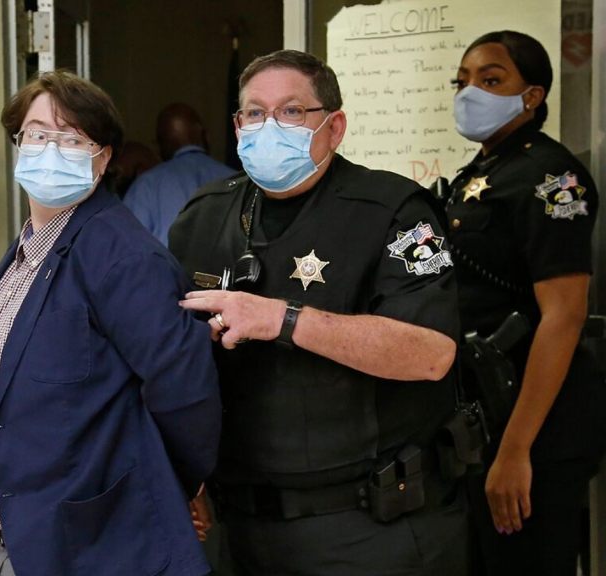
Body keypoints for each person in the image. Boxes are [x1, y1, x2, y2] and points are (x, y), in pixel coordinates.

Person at [170, 50, 466, 575]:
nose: (268, 127)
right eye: (254, 114)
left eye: (290, 111)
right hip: (237, 526)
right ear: (237, 127)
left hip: (366, 530)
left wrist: (282, 319)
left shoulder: (394, 212)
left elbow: (432, 353)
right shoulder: (203, 216)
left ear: (335, 126)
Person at [0, 70, 221, 576]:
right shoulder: (25, 252)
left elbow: (186, 390)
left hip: (93, 552)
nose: (50, 149)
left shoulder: (121, 254)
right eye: (38, 134)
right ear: (18, 145)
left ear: (103, 157)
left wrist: (156, 489)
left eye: (71, 139)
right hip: (8, 550)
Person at [446, 30, 606, 575]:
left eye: (491, 80)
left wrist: (516, 451)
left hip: (534, 425)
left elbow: (564, 316)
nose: (471, 92)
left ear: (532, 96)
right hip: (483, 416)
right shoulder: (483, 171)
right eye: (462, 80)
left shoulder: (551, 178)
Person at [123, 102, 234, 246]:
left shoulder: (146, 186)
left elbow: (127, 248)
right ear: (206, 136)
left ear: (160, 147)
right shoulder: (238, 181)